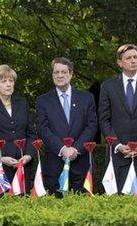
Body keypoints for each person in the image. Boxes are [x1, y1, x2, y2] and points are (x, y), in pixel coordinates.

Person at [98, 44, 137, 193]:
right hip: (118, 155)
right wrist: (118, 145)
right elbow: (103, 119)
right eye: (128, 58)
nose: (133, 60)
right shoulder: (108, 86)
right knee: (118, 202)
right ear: (120, 63)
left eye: (135, 57)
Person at [36, 57, 98, 194]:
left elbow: (92, 126)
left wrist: (75, 149)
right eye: (56, 72)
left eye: (64, 72)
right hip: (54, 163)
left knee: (83, 208)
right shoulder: (42, 101)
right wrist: (62, 149)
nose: (60, 75)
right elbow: (43, 128)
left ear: (71, 74)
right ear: (52, 75)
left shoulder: (87, 98)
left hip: (81, 162)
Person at [0, 64, 37, 194]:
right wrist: (1, 157)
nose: (8, 84)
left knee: (23, 206)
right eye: (3, 81)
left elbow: (31, 133)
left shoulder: (22, 103)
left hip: (22, 163)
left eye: (11, 81)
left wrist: (28, 155)